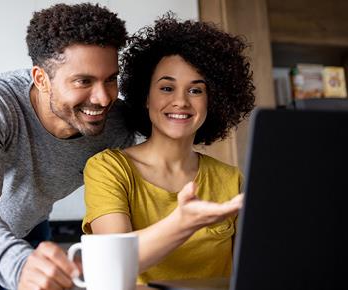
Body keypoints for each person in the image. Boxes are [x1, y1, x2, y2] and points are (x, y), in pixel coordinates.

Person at [0, 3, 132, 290]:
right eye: (83, 81)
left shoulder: (118, 124)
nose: (103, 98)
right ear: (41, 79)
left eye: (110, 80)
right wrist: (18, 264)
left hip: (31, 220)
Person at [82, 15, 256, 284]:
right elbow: (111, 264)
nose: (180, 101)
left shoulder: (231, 180)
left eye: (196, 91)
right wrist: (184, 222)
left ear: (214, 101)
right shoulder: (108, 169)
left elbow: (246, 275)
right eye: (166, 87)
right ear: (145, 97)